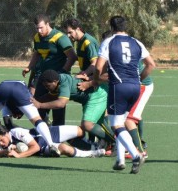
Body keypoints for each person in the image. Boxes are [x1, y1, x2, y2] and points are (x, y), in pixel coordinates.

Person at [93, 16, 155, 174]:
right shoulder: (136, 42)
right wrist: (139, 79)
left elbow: (99, 67)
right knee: (121, 121)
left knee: (116, 124)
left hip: (118, 87)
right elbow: (151, 64)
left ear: (112, 27)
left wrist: (95, 80)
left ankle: (135, 155)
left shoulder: (109, 41)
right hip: (135, 88)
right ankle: (120, 160)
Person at [30, 69, 116, 150]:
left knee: (87, 125)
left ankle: (115, 142)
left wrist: (40, 105)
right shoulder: (57, 82)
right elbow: (51, 96)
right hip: (90, 98)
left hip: (96, 95)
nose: (46, 88)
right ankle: (114, 142)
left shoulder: (63, 82)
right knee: (99, 123)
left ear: (55, 82)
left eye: (47, 85)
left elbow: (61, 103)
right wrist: (36, 101)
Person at [62, 18, 114, 149]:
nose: (69, 36)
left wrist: (85, 74)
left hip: (98, 83)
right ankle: (102, 142)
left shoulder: (88, 41)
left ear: (78, 29)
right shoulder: (80, 42)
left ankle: (114, 141)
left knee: (93, 118)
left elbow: (95, 63)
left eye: (70, 32)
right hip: (93, 82)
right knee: (95, 117)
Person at [22, 13, 78, 126]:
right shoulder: (37, 37)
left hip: (57, 81)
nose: (39, 30)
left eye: (41, 27)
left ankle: (58, 137)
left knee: (58, 111)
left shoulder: (60, 37)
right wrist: (29, 67)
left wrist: (61, 73)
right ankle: (43, 133)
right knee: (37, 107)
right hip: (43, 79)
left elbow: (72, 57)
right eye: (37, 28)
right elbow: (37, 54)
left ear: (48, 24)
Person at [0, 80, 62, 156]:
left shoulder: (6, 106)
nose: (16, 117)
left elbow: (8, 126)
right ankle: (51, 145)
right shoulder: (23, 98)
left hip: (2, 87)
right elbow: (9, 127)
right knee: (37, 120)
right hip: (19, 89)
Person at [0, 123, 105, 158]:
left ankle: (94, 144)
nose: (1, 143)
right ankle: (92, 153)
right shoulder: (3, 142)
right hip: (43, 146)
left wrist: (19, 155)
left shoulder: (17, 132)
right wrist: (6, 151)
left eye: (2, 140)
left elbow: (34, 146)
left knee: (80, 130)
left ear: (5, 133)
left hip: (49, 132)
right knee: (65, 149)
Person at [124, 61, 154, 159]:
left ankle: (140, 151)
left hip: (142, 86)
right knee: (133, 115)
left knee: (128, 119)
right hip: (133, 86)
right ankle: (136, 143)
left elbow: (151, 64)